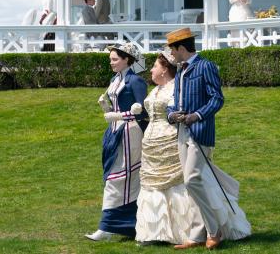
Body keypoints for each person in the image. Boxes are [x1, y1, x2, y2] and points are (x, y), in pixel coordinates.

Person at [165, 28, 251, 250]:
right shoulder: (180, 70)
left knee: (192, 180)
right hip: (181, 132)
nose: (170, 54)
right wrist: (172, 114)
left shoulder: (206, 66)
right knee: (192, 184)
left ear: (181, 48)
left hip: (200, 132)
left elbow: (217, 99)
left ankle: (215, 231)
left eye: (172, 50)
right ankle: (197, 234)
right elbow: (174, 101)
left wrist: (197, 116)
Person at [136, 50, 204, 245]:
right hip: (151, 145)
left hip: (170, 142)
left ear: (165, 69)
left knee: (174, 184)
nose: (151, 69)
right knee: (152, 185)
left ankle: (183, 230)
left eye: (155, 66)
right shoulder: (156, 90)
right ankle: (153, 232)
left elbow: (179, 111)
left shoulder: (176, 88)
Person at [86, 43, 147, 242]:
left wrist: (118, 115)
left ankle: (108, 227)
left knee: (121, 178)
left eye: (114, 59)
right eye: (110, 59)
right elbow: (116, 109)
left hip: (130, 133)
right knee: (115, 176)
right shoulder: (116, 79)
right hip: (114, 131)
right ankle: (125, 225)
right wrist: (106, 109)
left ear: (127, 59)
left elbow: (143, 111)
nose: (111, 62)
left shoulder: (135, 81)